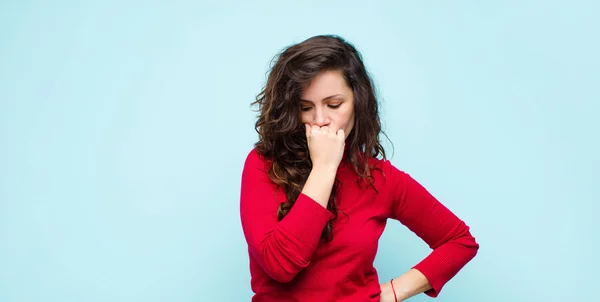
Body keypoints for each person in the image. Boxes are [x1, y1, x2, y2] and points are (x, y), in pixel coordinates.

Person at [239, 34, 479, 302]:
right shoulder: (264, 166)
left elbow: (460, 241)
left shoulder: (380, 178)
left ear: (357, 102)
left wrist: (391, 292)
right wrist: (324, 168)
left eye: (334, 105)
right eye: (306, 108)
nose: (320, 120)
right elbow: (280, 265)